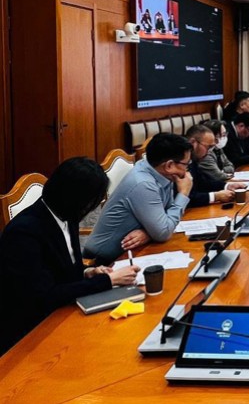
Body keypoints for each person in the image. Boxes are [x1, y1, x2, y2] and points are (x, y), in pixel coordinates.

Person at [0, 158, 140, 355]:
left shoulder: (67, 215)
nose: (91, 209)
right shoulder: (23, 233)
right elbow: (43, 297)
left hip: (64, 309)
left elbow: (62, 269)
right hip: (31, 331)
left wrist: (88, 272)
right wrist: (108, 281)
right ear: (74, 198)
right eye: (91, 202)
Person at [84, 133, 193, 264]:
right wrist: (183, 193)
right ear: (169, 165)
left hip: (134, 250)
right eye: (186, 164)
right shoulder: (143, 184)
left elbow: (165, 216)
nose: (187, 170)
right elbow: (163, 232)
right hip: (103, 260)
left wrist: (148, 233)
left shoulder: (159, 171)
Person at [185, 125, 246, 207]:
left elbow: (204, 183)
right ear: (193, 143)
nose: (209, 152)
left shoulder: (193, 160)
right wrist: (216, 196)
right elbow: (186, 197)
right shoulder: (179, 162)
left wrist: (227, 186)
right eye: (208, 147)